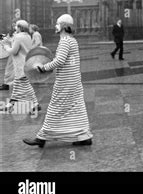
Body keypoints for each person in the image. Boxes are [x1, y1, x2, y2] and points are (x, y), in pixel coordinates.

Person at [23, 14, 93, 147]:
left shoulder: (65, 41)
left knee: (55, 107)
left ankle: (42, 137)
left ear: (63, 26)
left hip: (66, 82)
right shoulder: (72, 40)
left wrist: (43, 68)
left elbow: (60, 61)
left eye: (57, 23)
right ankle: (84, 136)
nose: (55, 26)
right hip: (74, 81)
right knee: (77, 107)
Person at [1, 20, 39, 114]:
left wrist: (5, 46)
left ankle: (35, 104)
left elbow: (13, 51)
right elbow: (18, 43)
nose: (15, 28)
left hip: (20, 65)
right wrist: (7, 39)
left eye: (16, 26)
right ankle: (10, 104)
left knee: (25, 85)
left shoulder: (18, 37)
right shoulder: (27, 36)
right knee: (17, 85)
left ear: (19, 27)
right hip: (26, 63)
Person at [0, 22, 16, 91]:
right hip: (13, 53)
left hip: (15, 53)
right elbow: (9, 39)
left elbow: (13, 42)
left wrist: (5, 40)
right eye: (13, 24)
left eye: (15, 24)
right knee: (9, 69)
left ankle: (7, 84)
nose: (14, 26)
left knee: (11, 70)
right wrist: (3, 37)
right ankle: (7, 84)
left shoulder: (19, 34)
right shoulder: (12, 33)